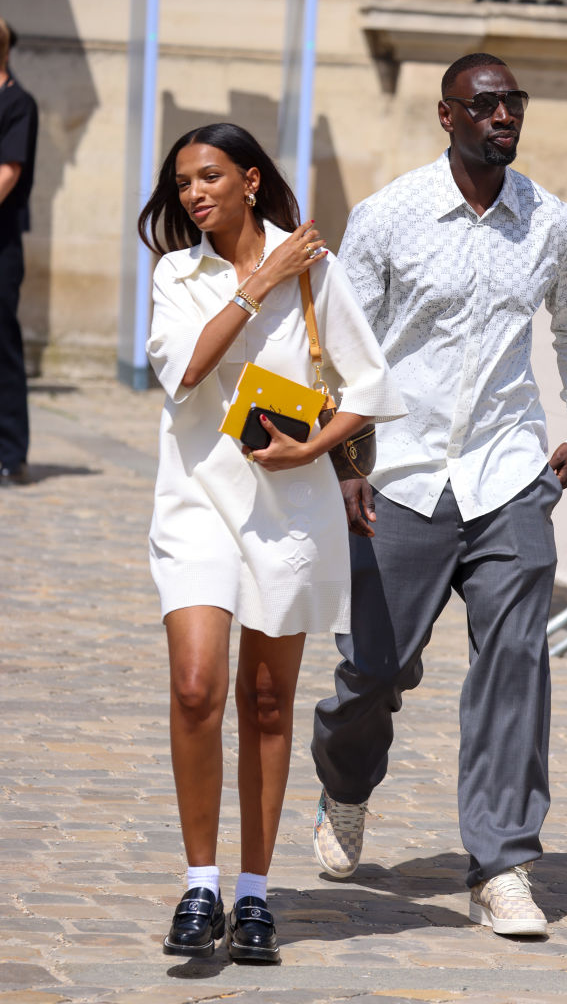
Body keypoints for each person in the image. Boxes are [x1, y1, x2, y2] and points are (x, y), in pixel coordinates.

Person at [311, 53, 567, 937]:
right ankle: (344, 785)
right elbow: (339, 350)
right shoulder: (389, 216)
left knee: (515, 665)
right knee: (374, 669)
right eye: (484, 105)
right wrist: (348, 464)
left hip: (509, 473)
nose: (503, 117)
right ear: (447, 116)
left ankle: (503, 862)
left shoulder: (547, 222)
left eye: (513, 103)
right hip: (399, 475)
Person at [137, 122, 405, 964]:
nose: (194, 194)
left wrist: (314, 450)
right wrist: (259, 283)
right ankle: (199, 883)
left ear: (250, 179)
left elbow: (370, 388)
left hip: (289, 506)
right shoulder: (177, 273)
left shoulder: (316, 266)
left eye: (209, 177)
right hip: (194, 500)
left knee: (264, 701)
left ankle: (253, 895)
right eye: (183, 183)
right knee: (194, 688)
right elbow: (185, 370)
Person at [0, 18, 38, 487]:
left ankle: (11, 454)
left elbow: (7, 173)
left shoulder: (17, 103)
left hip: (1, 245)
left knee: (2, 349)